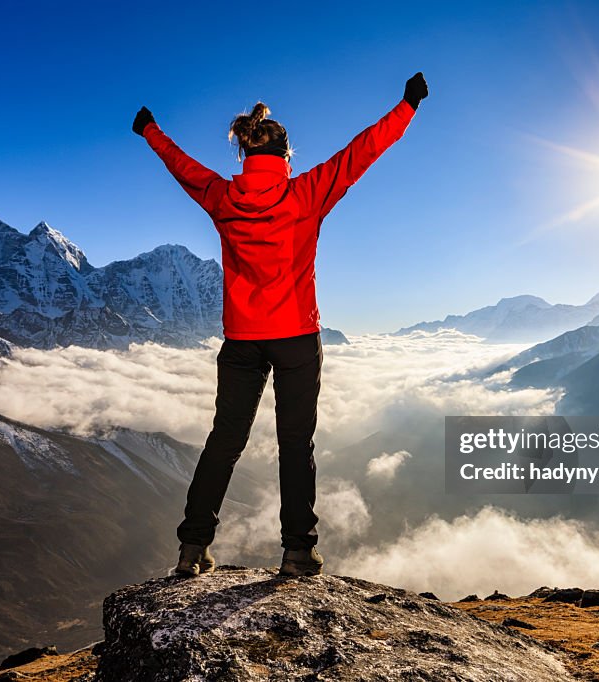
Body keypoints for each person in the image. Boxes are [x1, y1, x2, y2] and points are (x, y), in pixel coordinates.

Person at [133, 72, 429, 577]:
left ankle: (191, 549)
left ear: (245, 156)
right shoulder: (306, 194)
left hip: (242, 340)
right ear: (286, 157)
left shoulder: (223, 197)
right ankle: (297, 551)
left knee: (224, 441)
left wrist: (150, 131)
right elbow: (361, 152)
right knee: (296, 444)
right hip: (295, 336)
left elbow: (182, 167)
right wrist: (407, 107)